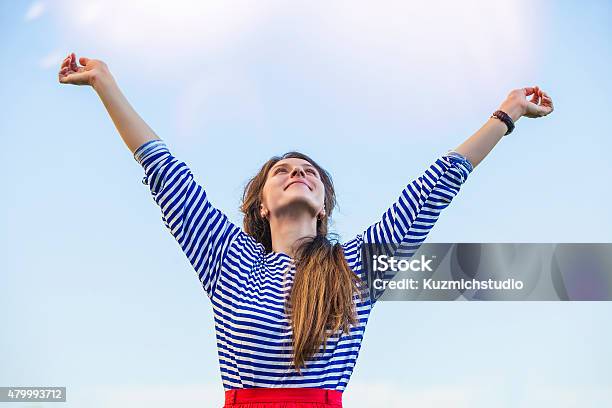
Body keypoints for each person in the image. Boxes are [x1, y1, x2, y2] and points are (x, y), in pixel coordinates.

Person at [58, 52, 553, 408]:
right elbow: (166, 172)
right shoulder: (225, 257)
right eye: (283, 171)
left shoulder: (356, 266)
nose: (299, 172)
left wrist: (506, 114)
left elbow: (433, 187)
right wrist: (104, 82)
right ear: (262, 205)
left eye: (310, 172)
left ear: (322, 208)